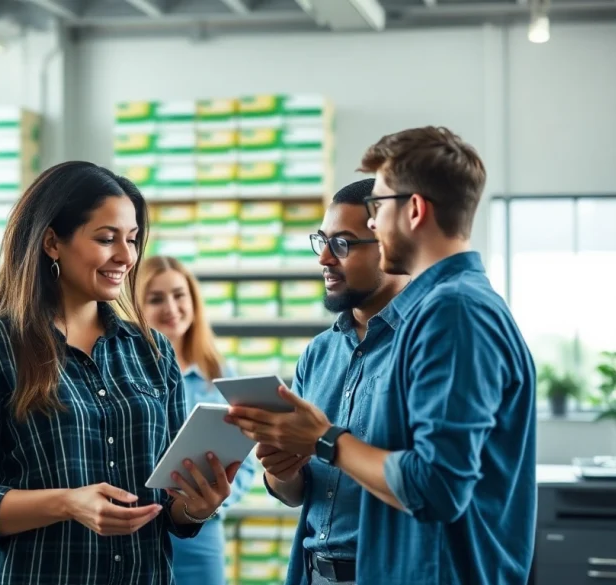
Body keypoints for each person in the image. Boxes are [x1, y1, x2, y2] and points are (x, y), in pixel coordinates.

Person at [228, 127, 537, 585]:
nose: (373, 224)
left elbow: (436, 486)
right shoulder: (447, 306)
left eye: (378, 207)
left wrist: (324, 439)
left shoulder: (454, 309)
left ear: (413, 210)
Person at [0, 161, 239, 585]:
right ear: (52, 242)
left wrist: (195, 507)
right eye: (106, 239)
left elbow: (168, 507)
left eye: (132, 239)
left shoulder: (152, 351)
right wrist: (66, 503)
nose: (126, 256)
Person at [243, 179, 408, 585]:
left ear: (389, 245)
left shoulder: (423, 348)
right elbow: (296, 494)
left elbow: (431, 485)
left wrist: (325, 440)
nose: (324, 259)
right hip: (314, 572)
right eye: (322, 241)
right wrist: (281, 471)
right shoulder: (318, 353)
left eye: (342, 244)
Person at [138, 255, 258, 585]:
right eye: (156, 299)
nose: (171, 308)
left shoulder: (219, 373)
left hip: (202, 534)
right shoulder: (126, 372)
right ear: (136, 307)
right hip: (140, 530)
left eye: (179, 295)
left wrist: (212, 504)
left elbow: (246, 461)